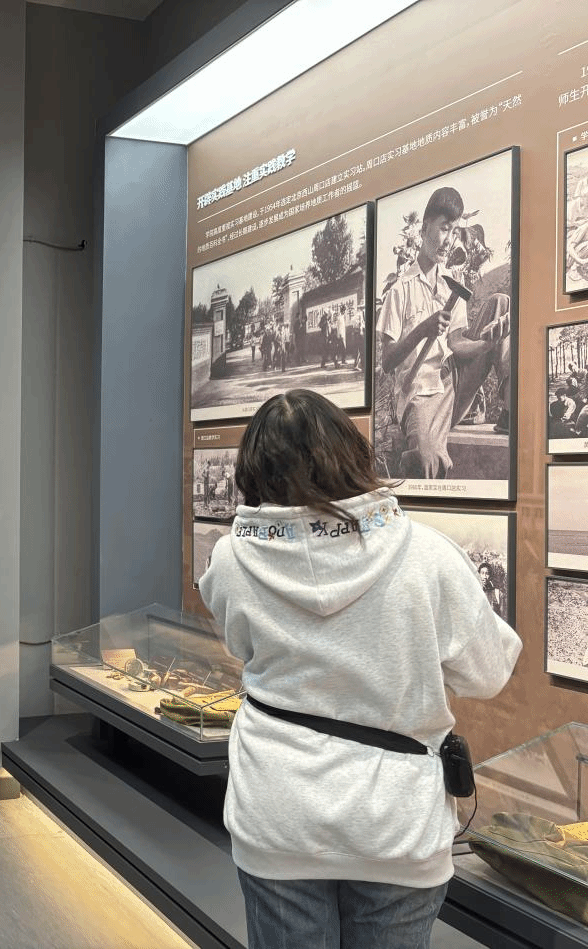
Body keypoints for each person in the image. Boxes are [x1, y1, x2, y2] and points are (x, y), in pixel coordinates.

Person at [198, 389, 521, 949]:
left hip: (278, 807)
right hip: (396, 818)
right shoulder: (427, 555)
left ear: (254, 468)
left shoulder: (230, 557)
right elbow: (487, 675)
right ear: (351, 453)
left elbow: (240, 646)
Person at [377, 186, 510, 478]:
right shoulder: (399, 291)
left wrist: (486, 345)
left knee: (500, 303)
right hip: (421, 395)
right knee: (426, 457)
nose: (449, 240)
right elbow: (387, 361)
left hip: (455, 385)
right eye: (444, 228)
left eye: (454, 231)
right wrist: (422, 330)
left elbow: (457, 341)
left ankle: (511, 406)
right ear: (425, 228)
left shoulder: (451, 285)